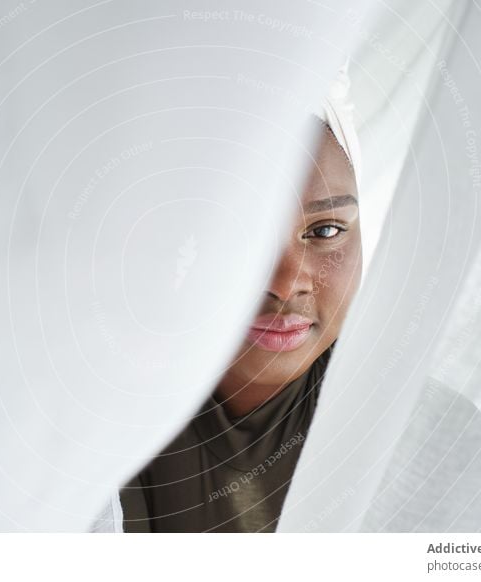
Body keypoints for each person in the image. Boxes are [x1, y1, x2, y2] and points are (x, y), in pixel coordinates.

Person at [120, 71, 363, 532]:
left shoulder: (428, 442)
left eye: (326, 230)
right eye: (237, 232)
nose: (287, 282)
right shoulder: (78, 424)